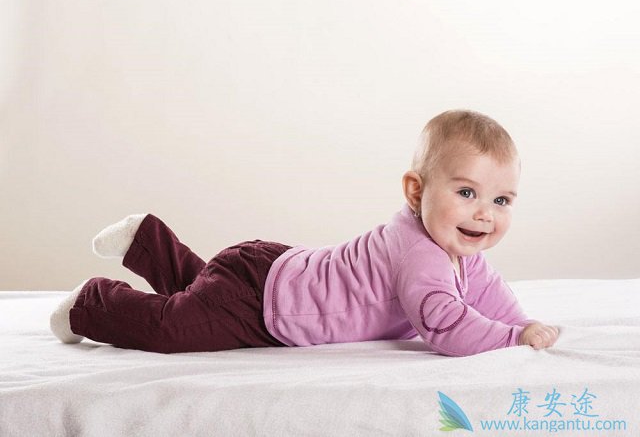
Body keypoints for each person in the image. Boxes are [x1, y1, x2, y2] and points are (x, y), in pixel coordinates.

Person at [50, 109, 559, 356]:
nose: (484, 214)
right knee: (175, 327)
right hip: (262, 304)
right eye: (466, 192)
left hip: (271, 270)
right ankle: (90, 304)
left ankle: (146, 240)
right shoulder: (421, 256)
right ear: (415, 191)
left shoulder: (453, 247)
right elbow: (447, 327)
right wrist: (513, 338)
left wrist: (524, 322)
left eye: (501, 201)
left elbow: (488, 293)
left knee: (199, 293)